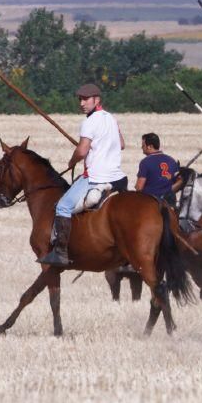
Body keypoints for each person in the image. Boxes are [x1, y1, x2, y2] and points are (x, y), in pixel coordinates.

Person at [39, 83, 127, 266]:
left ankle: (60, 253)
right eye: (80, 99)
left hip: (95, 177)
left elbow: (81, 151)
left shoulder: (88, 122)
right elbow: (122, 144)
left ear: (97, 99)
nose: (82, 103)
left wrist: (72, 161)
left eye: (86, 99)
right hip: (118, 178)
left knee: (62, 206)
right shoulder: (111, 118)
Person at [136, 133, 181, 205]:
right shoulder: (171, 160)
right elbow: (180, 181)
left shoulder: (145, 162)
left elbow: (139, 187)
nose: (141, 147)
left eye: (143, 145)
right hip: (169, 202)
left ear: (150, 146)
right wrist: (168, 192)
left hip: (150, 202)